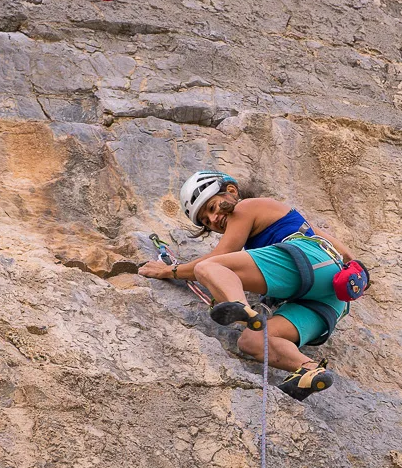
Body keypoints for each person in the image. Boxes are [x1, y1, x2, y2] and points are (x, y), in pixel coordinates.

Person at [138, 171, 356, 401]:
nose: (212, 220)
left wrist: (168, 270)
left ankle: (242, 308)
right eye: (205, 221)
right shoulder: (287, 216)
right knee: (251, 342)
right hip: (330, 295)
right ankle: (309, 369)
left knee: (207, 268)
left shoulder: (246, 207)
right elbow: (347, 255)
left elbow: (219, 256)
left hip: (305, 261)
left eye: (212, 208)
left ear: (231, 191)